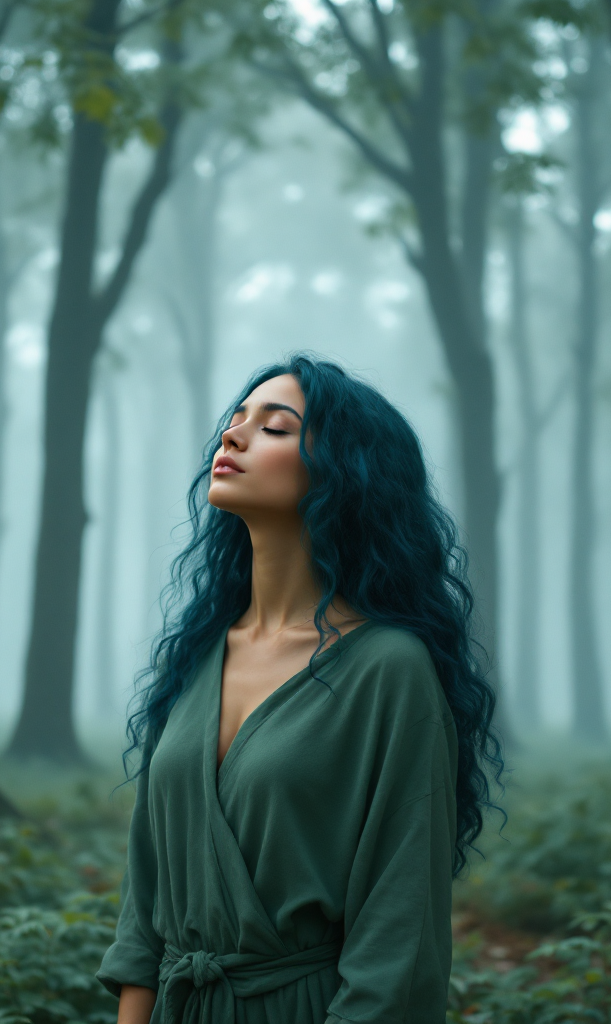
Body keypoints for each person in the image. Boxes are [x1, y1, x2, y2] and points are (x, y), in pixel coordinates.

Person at [97, 354, 502, 1023]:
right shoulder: (199, 656)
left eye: (275, 427)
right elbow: (144, 910)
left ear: (345, 472)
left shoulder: (388, 670)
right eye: (237, 419)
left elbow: (398, 939)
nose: (233, 435)